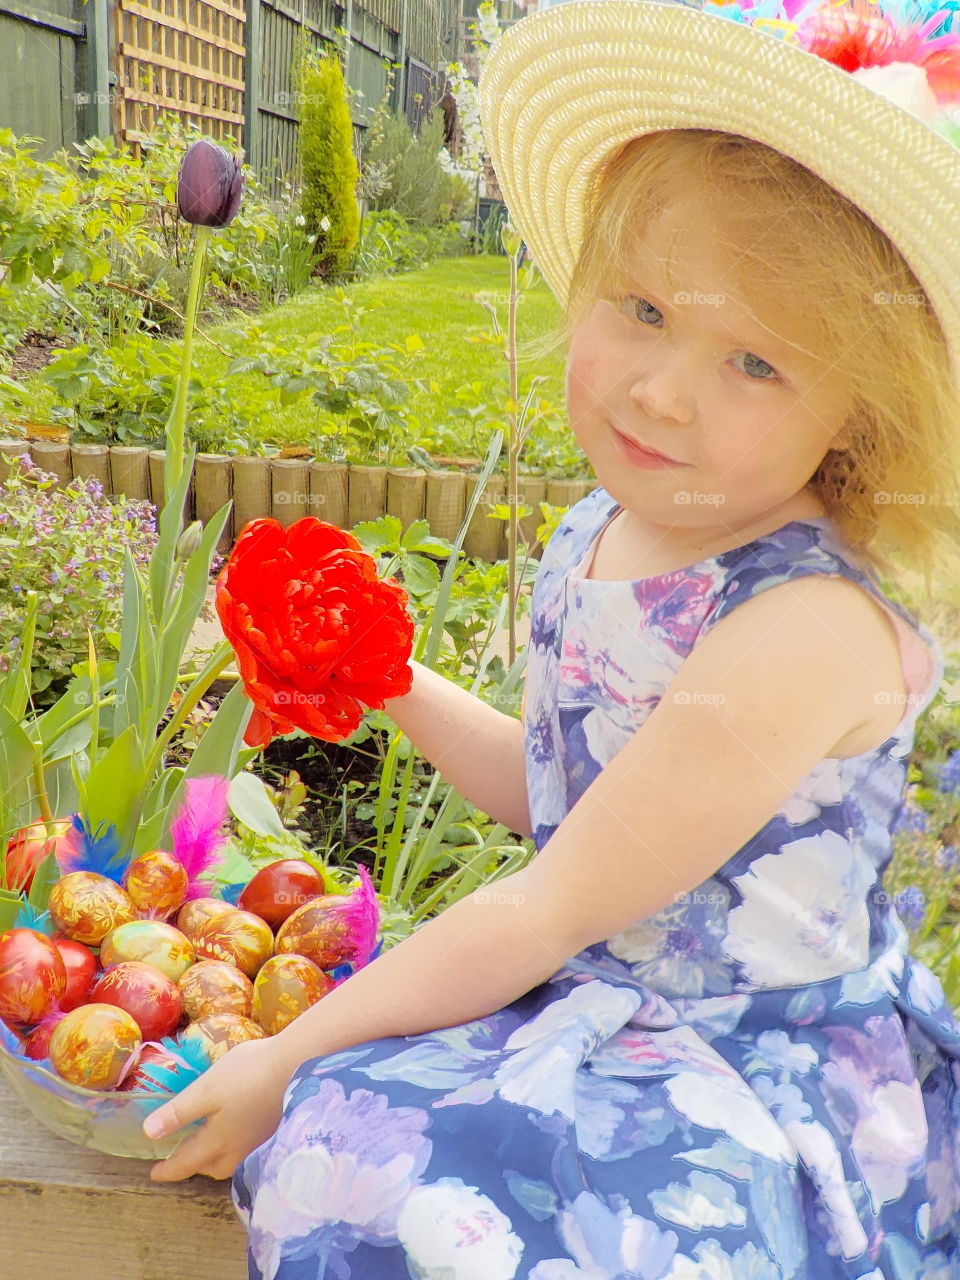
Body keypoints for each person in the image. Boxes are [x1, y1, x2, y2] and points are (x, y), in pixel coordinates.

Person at [143, 0, 960, 1275]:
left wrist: (285, 1056)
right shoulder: (615, 519)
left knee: (387, 1175)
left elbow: (549, 899)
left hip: (748, 1054)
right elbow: (562, 795)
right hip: (600, 987)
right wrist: (382, 673)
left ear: (861, 417)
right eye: (642, 308)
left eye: (755, 362)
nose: (662, 387)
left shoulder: (806, 624)